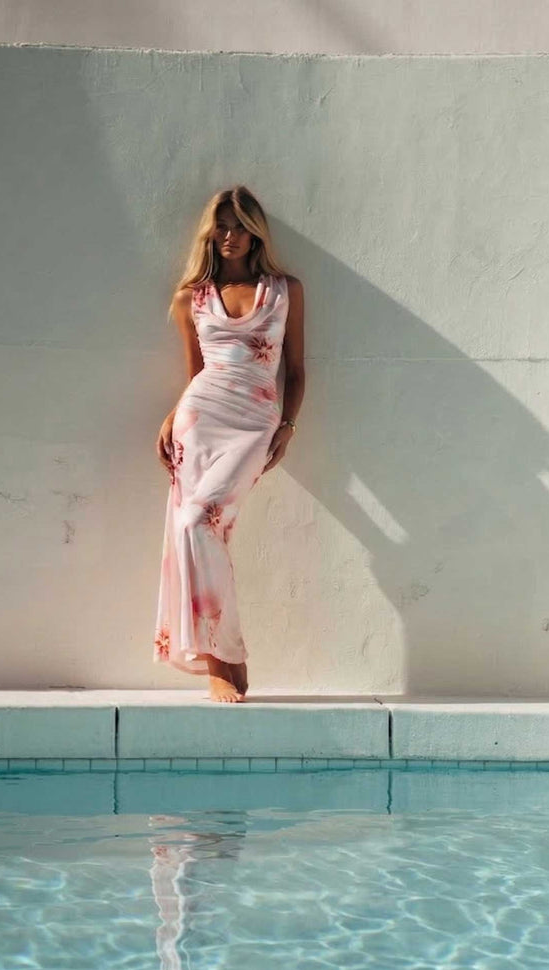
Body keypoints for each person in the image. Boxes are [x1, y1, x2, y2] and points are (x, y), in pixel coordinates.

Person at [153, 185, 305, 703]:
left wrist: (286, 428)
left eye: (239, 226)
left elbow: (297, 371)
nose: (229, 236)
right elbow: (196, 374)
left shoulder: (284, 291)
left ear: (255, 231)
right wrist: (175, 414)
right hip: (200, 420)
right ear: (209, 233)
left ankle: (228, 656)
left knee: (200, 521)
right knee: (195, 528)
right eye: (221, 225)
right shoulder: (190, 298)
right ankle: (222, 662)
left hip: (255, 422)